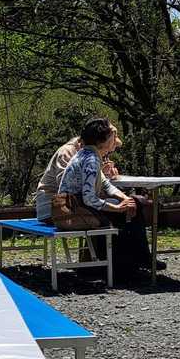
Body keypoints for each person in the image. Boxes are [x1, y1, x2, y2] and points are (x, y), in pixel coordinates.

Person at [57, 117, 152, 280]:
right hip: (75, 210)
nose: (115, 139)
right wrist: (117, 207)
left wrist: (124, 198)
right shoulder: (91, 159)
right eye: (113, 136)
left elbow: (105, 184)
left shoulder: (87, 154)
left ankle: (133, 262)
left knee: (133, 202)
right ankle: (131, 264)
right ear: (104, 139)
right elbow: (89, 199)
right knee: (129, 209)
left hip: (76, 206)